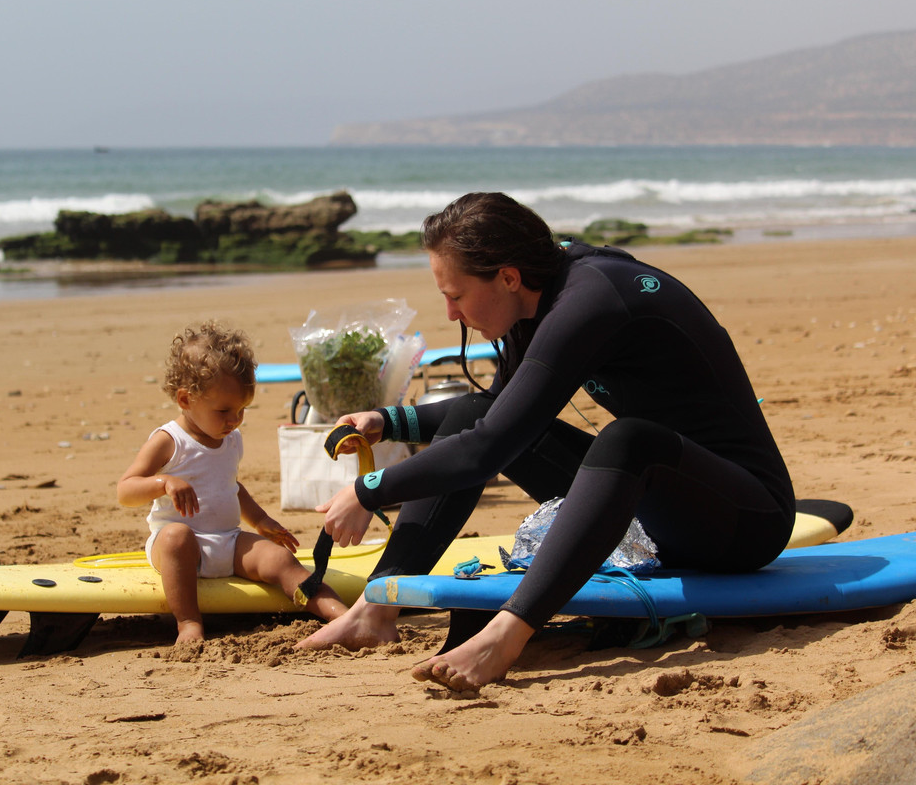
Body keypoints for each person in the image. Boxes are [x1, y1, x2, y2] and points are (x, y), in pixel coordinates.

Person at [297, 192, 794, 693]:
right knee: (478, 409)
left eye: (457, 295)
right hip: (655, 511)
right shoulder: (537, 295)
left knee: (628, 441)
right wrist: (390, 419)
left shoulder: (591, 300)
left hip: (741, 520)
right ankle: (374, 609)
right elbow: (494, 416)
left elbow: (487, 450)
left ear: (508, 277)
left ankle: (506, 636)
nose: (450, 314)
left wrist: (369, 490)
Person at [118, 321, 346, 645]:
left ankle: (338, 613)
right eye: (224, 410)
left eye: (241, 410)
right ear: (185, 399)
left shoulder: (230, 438)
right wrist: (163, 482)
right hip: (179, 549)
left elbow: (232, 487)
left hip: (227, 541)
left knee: (280, 559)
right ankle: (188, 623)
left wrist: (260, 520)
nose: (233, 420)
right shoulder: (169, 440)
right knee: (176, 536)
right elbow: (125, 490)